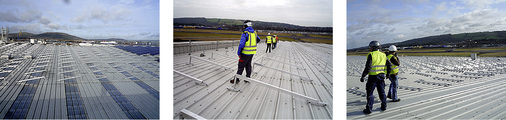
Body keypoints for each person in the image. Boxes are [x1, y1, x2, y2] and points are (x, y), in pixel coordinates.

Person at [360, 41, 392, 114]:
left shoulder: (371, 54)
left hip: (373, 77)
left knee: (370, 92)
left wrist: (363, 76)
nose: (370, 48)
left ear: (374, 47)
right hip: (381, 76)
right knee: (382, 92)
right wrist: (388, 74)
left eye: (370, 47)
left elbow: (368, 67)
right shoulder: (383, 55)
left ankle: (369, 109)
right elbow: (389, 65)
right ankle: (384, 106)